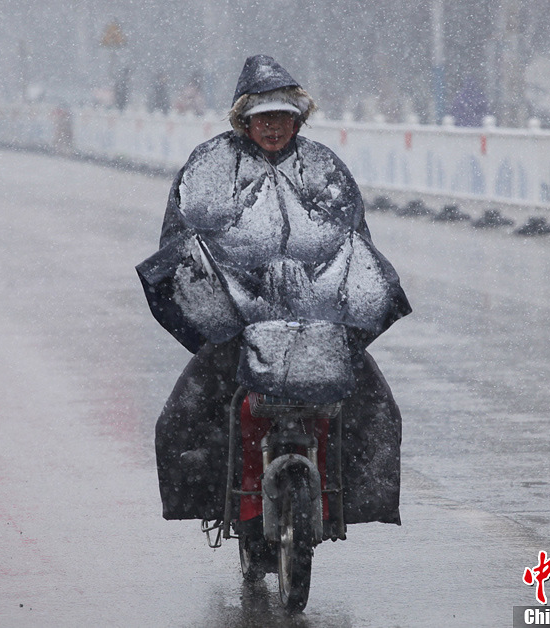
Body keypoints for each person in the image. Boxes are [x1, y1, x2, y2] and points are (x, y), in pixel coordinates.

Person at [137, 56, 410, 537]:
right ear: (244, 119)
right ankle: (216, 500)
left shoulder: (323, 166)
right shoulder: (210, 164)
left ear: (298, 119)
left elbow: (353, 238)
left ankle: (345, 502)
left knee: (376, 412)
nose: (274, 127)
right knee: (186, 418)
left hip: (318, 328)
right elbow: (181, 240)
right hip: (240, 327)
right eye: (263, 117)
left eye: (283, 117)